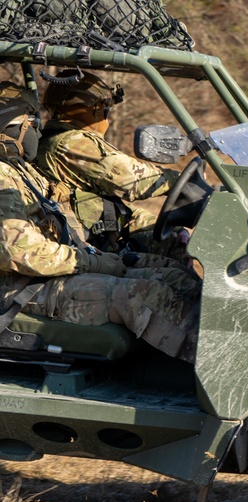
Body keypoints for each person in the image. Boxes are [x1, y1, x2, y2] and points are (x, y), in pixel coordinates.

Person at [0, 82, 199, 362]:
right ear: (10, 127)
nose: (39, 129)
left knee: (176, 278)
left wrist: (95, 255)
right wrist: (91, 261)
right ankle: (218, 372)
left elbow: (65, 206)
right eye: (32, 122)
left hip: (52, 274)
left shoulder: (20, 172)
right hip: (21, 289)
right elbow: (21, 252)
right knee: (144, 293)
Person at [36, 70, 198, 259]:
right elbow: (131, 179)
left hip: (103, 232)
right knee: (177, 278)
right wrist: (178, 180)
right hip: (91, 249)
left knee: (177, 236)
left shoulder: (61, 139)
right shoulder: (70, 143)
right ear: (89, 110)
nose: (107, 118)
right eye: (104, 110)